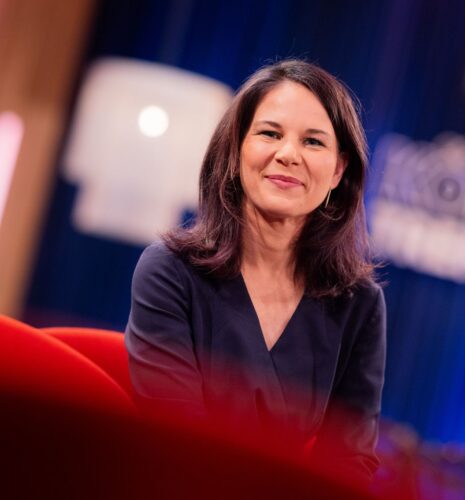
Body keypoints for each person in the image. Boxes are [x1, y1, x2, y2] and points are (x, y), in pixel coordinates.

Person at [125, 59, 386, 480]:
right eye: (269, 133)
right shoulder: (169, 271)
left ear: (339, 170)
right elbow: (174, 440)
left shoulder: (359, 302)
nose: (288, 155)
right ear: (236, 150)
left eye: (313, 142)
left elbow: (350, 460)